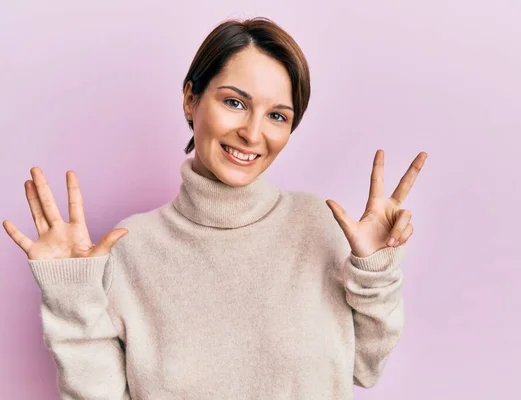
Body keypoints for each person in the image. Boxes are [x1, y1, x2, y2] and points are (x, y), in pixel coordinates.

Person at [3, 17, 427, 399]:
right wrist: (72, 297)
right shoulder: (130, 250)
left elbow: (366, 369)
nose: (252, 133)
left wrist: (374, 272)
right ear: (191, 99)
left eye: (278, 116)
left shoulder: (320, 226)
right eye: (235, 103)